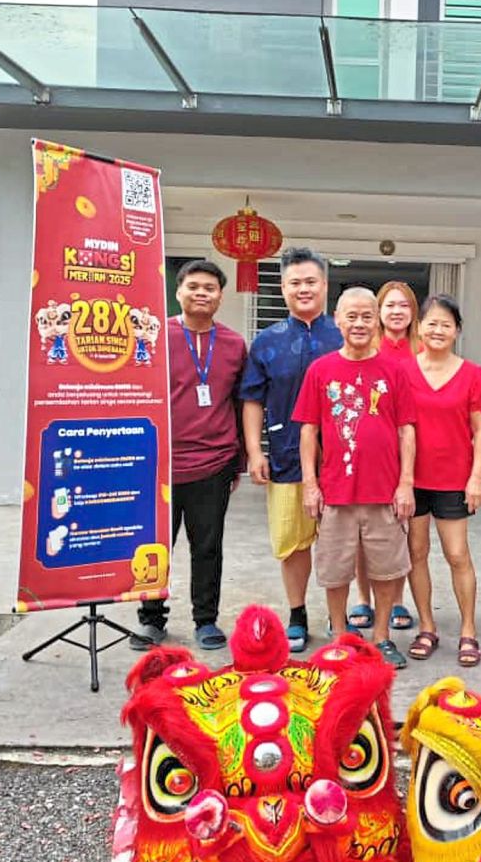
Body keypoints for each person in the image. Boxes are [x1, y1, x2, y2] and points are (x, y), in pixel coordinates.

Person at [293, 287, 416, 670]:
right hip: (336, 491)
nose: (359, 323)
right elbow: (308, 431)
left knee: (386, 568)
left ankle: (381, 638)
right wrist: (310, 484)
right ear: (337, 319)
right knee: (334, 568)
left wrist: (406, 483)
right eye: (352, 316)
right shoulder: (321, 369)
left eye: (367, 316)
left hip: (384, 491)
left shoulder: (396, 370)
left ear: (376, 319)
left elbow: (407, 430)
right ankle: (341, 634)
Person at [130, 259, 246, 652]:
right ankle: (151, 619)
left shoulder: (233, 344)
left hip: (213, 462)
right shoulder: (155, 337)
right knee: (155, 546)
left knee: (208, 546)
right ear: (178, 291)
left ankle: (205, 620)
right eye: (193, 286)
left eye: (209, 288)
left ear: (220, 297)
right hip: (159, 463)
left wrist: (239, 459)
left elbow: (238, 402)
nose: (201, 293)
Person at [241, 248, 342, 653]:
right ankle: (297, 612)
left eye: (310, 282)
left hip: (340, 459)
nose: (303, 289)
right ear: (283, 288)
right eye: (295, 283)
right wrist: (254, 450)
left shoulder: (344, 335)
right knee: (292, 541)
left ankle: (340, 618)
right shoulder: (267, 342)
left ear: (324, 286)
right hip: (284, 455)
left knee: (339, 541)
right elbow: (252, 399)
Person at [404, 294, 481, 667]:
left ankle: (468, 630)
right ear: (419, 327)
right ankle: (427, 625)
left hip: (455, 478)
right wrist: (402, 481)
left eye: (446, 324)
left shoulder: (473, 374)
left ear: (457, 330)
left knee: (457, 555)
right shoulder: (404, 371)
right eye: (431, 323)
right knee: (416, 554)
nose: (438, 330)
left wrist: (476, 477)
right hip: (412, 479)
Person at [350, 280, 420, 633]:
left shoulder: (423, 349)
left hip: (411, 449)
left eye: (403, 305)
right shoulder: (365, 347)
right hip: (371, 455)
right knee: (364, 533)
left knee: (401, 531)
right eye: (389, 305)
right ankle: (363, 597)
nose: (396, 312)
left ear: (413, 312)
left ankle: (397, 601)